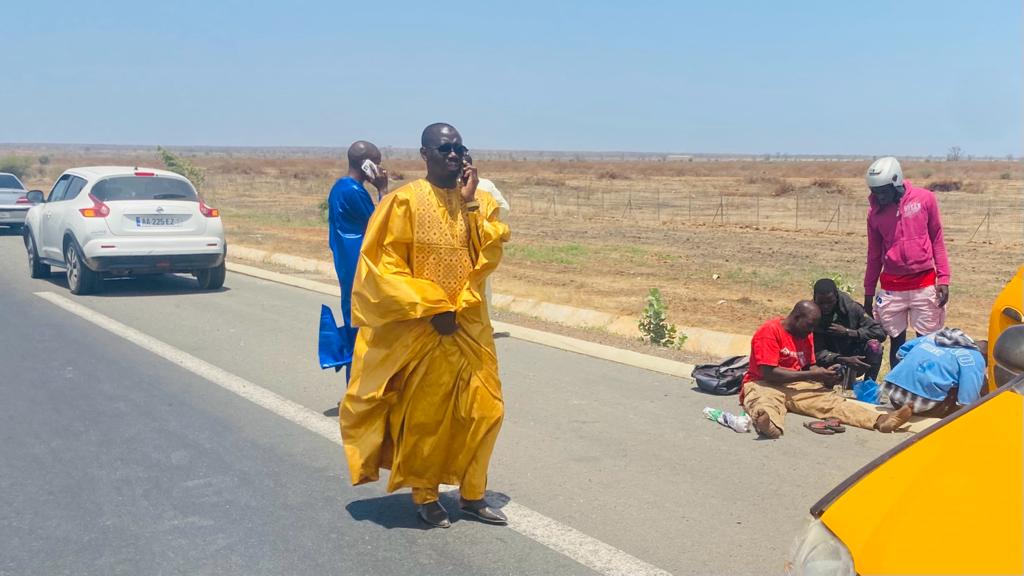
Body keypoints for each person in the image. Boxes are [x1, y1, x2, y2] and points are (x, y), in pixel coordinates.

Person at [340, 123, 511, 529]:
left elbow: (486, 255)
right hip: (425, 329)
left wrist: (468, 203)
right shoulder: (402, 202)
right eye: (445, 149)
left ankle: (472, 494)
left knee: (487, 411)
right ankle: (426, 494)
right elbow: (383, 267)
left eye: (459, 149)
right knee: (427, 419)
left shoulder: (478, 203)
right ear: (425, 154)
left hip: (469, 326)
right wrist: (432, 307)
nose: (454, 155)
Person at [741, 300, 913, 439]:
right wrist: (812, 374)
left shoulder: (805, 334)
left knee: (831, 403)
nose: (811, 331)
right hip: (762, 382)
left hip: (795, 384)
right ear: (796, 317)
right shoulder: (770, 331)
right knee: (763, 400)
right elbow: (769, 373)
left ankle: (881, 420)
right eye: (809, 325)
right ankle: (769, 424)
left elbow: (809, 366)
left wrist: (825, 375)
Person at [863, 156, 951, 369]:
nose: (879, 197)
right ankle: (897, 388)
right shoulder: (874, 213)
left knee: (926, 341)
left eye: (883, 191)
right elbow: (873, 255)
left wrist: (944, 278)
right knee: (896, 342)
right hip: (892, 287)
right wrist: (868, 292)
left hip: (924, 283)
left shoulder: (925, 199)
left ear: (896, 181)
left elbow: (936, 238)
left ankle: (924, 389)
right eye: (875, 191)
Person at [328, 141, 389, 329]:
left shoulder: (340, 186)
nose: (379, 168)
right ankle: (357, 350)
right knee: (362, 305)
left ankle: (351, 347)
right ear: (366, 163)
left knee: (351, 301)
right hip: (357, 255)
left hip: (344, 252)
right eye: (376, 163)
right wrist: (382, 189)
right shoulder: (353, 190)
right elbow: (380, 224)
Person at [881, 330, 987, 417]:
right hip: (926, 407)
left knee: (948, 375)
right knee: (975, 382)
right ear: (985, 356)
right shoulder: (974, 357)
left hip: (893, 395)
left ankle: (906, 407)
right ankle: (918, 409)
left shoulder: (937, 335)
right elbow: (967, 399)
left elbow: (901, 352)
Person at [812, 278, 886, 384]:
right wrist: (840, 358)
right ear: (815, 298)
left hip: (854, 358)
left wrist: (849, 332)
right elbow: (815, 351)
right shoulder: (811, 313)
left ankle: (868, 387)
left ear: (836, 296)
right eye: (821, 303)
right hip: (826, 362)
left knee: (875, 347)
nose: (825, 306)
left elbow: (879, 333)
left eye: (830, 302)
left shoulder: (851, 308)